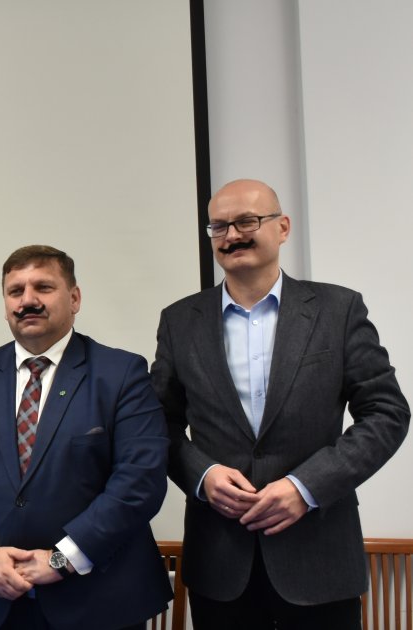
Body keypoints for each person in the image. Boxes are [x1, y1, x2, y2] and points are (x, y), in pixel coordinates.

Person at [151, 179, 410, 629]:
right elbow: (159, 424)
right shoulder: (179, 321)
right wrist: (203, 475)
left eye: (247, 221)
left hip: (320, 558)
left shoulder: (338, 309)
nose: (232, 235)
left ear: (283, 227)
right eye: (218, 226)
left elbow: (387, 412)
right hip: (219, 563)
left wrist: (305, 487)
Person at [0, 245, 171, 630]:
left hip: (100, 602)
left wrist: (64, 557)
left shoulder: (121, 373)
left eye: (43, 287)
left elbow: (141, 480)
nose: (28, 301)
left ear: (74, 298)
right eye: (15, 291)